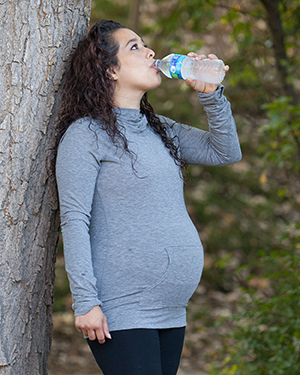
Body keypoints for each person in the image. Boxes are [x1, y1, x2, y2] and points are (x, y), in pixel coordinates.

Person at [55, 19, 242, 375]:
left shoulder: (161, 129)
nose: (151, 52)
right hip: (121, 309)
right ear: (110, 69)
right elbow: (74, 220)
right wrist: (85, 302)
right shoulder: (85, 136)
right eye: (135, 47)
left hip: (171, 309)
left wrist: (211, 95)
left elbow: (226, 152)